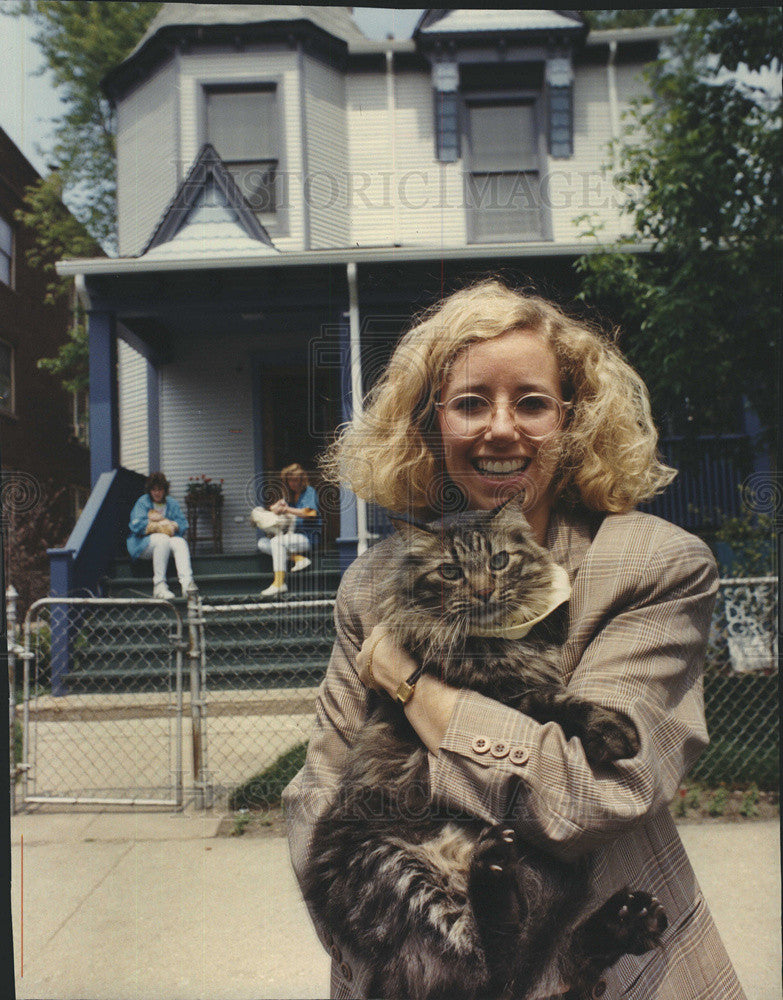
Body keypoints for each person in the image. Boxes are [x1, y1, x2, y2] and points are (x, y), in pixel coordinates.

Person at [283, 279, 747, 999]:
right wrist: (398, 944)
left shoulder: (649, 564)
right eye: (470, 403)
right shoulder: (373, 583)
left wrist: (414, 688)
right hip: (419, 959)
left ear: (572, 420)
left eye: (531, 402)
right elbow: (318, 796)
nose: (501, 430)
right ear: (430, 425)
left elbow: (588, 793)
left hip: (610, 970)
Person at [127, 471, 194, 599]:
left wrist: (174, 525)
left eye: (160, 489)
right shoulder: (143, 502)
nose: (157, 493)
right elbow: (136, 525)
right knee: (162, 539)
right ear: (149, 490)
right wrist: (157, 525)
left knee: (180, 542)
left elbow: (182, 523)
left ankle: (188, 586)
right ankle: (159, 586)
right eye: (153, 489)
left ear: (165, 490)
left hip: (165, 543)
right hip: (143, 545)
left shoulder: (171, 503)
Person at [257, 463, 320, 597]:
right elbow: (283, 513)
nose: (292, 483)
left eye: (295, 480)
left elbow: (310, 513)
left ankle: (279, 583)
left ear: (302, 479)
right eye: (289, 480)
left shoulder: (309, 492)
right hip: (290, 539)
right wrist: (276, 508)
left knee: (276, 543)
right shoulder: (290, 496)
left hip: (307, 538)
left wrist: (287, 509)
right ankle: (298, 558)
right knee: (262, 543)